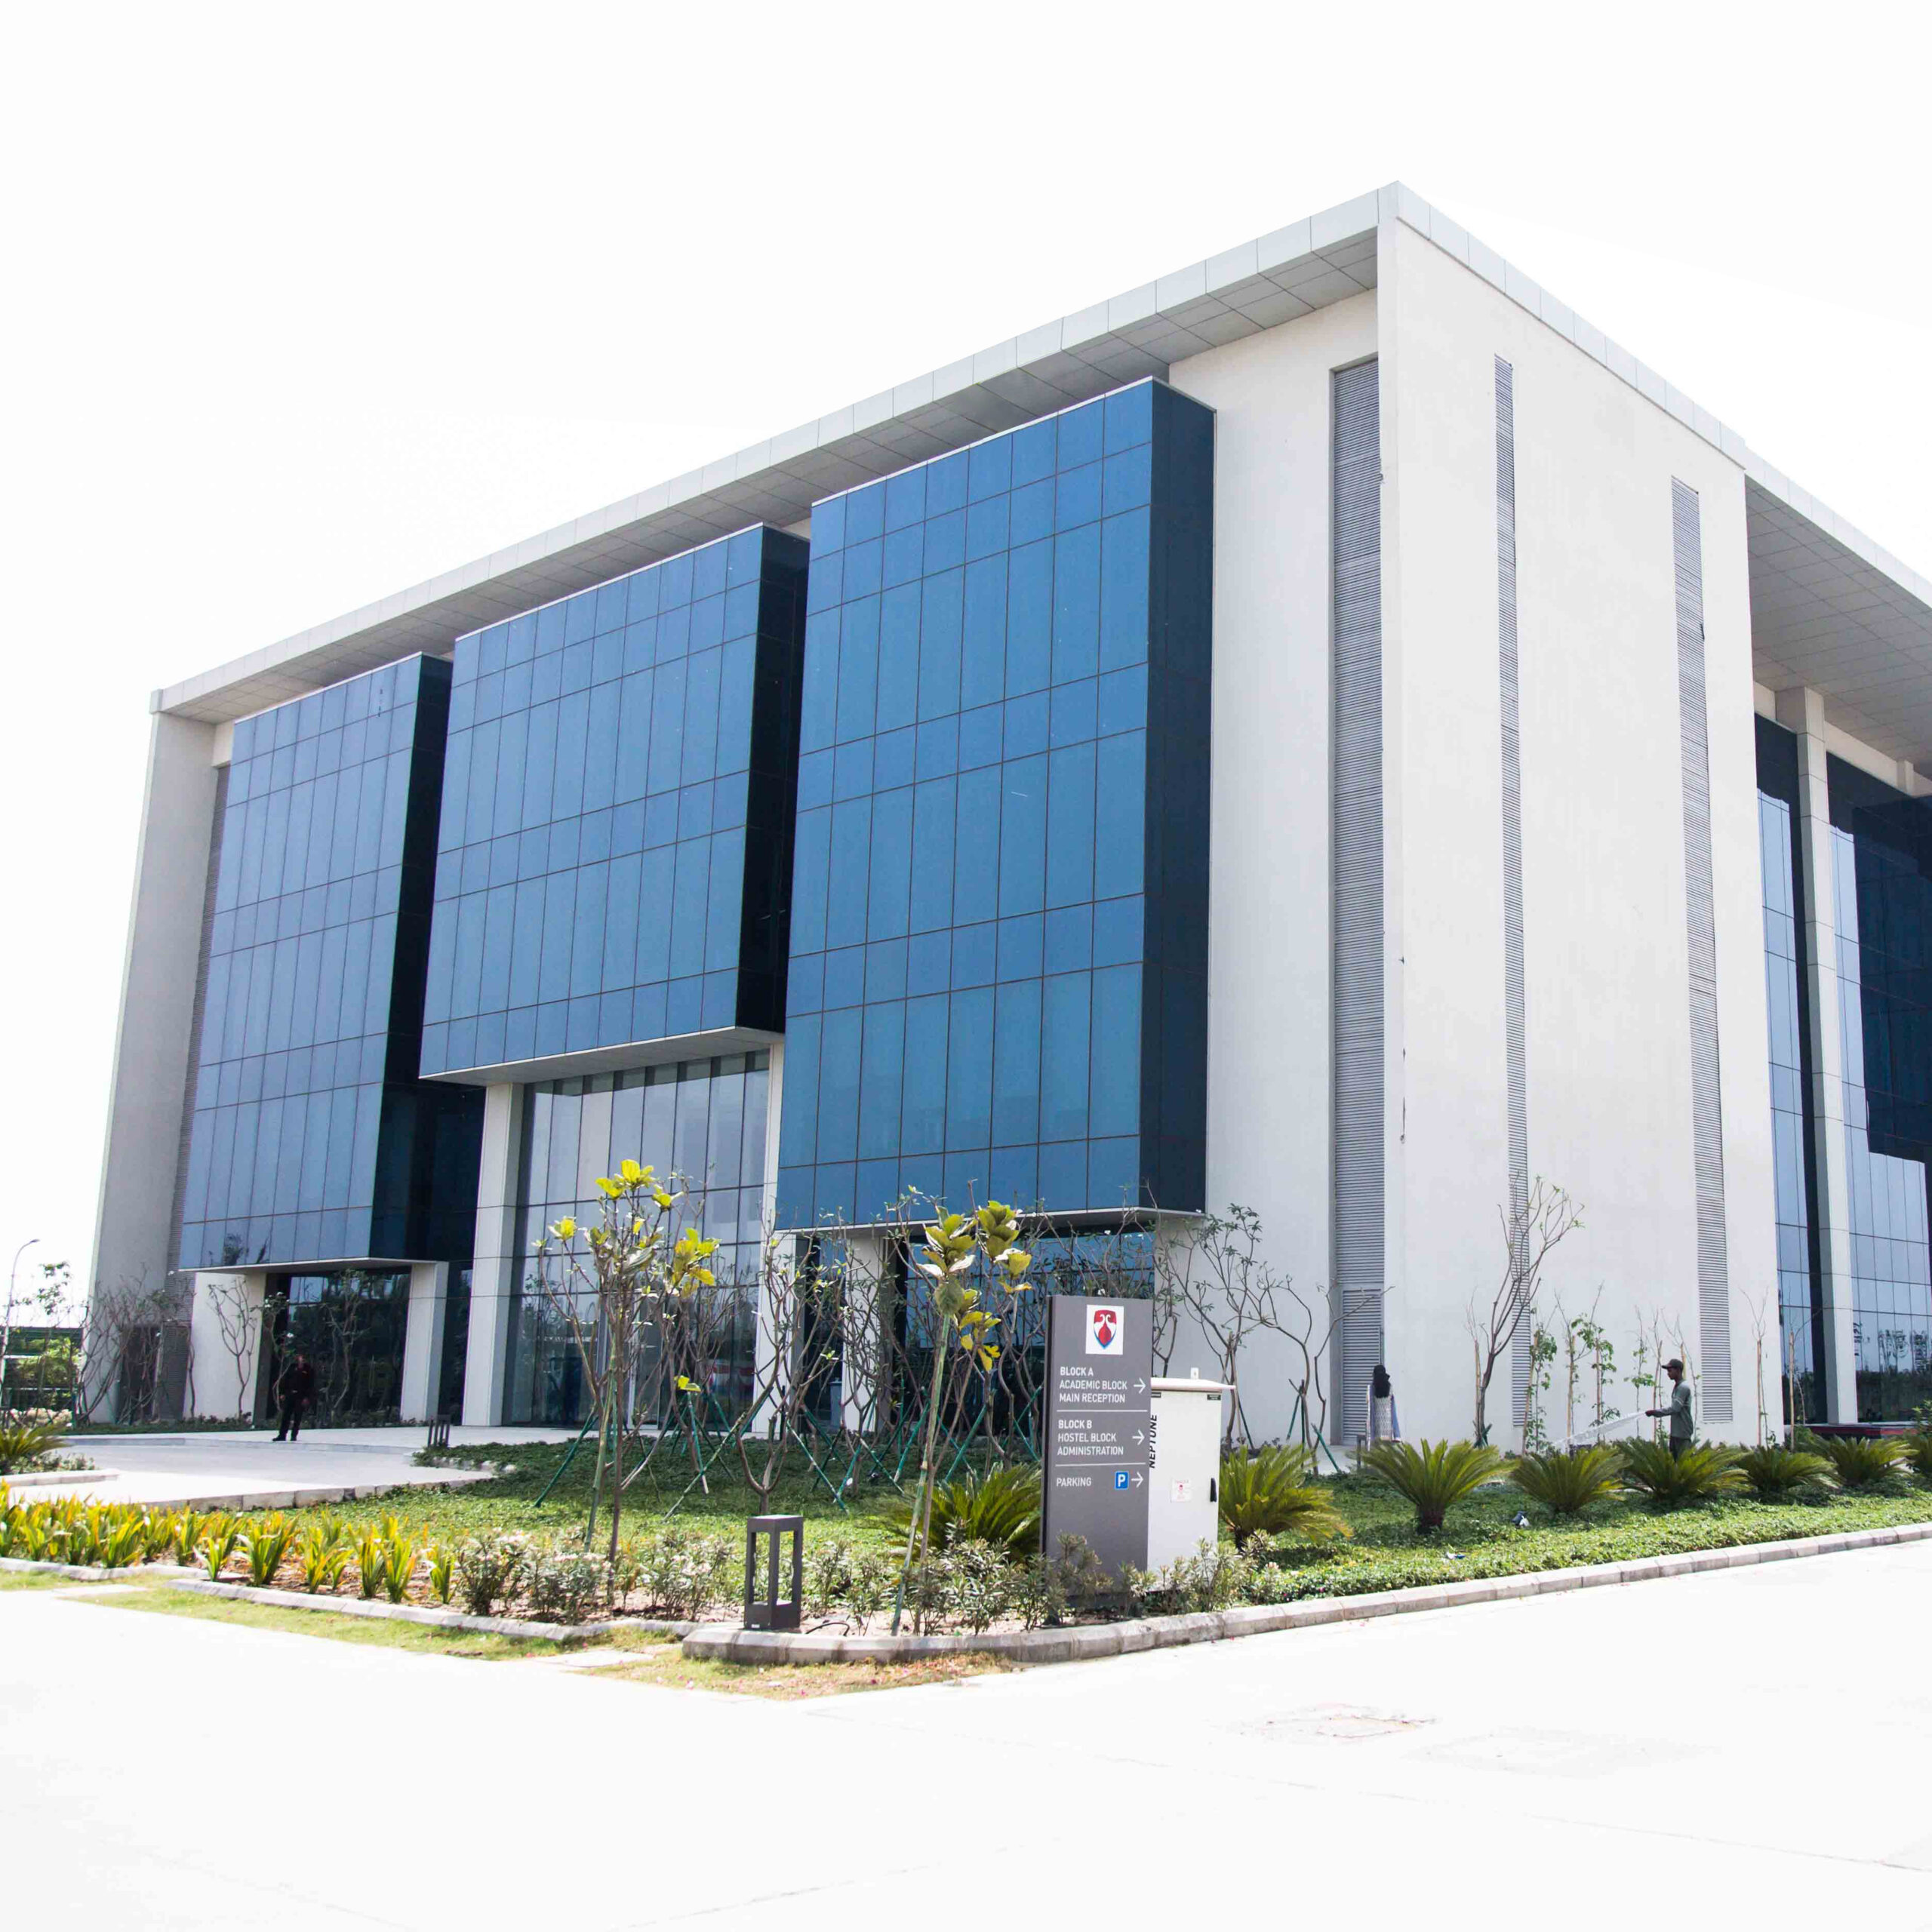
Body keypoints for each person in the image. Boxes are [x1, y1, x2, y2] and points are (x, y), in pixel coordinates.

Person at [1644, 1357, 1694, 1455]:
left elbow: (1675, 1409)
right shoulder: (1678, 1387)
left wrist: (1655, 1412)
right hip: (1676, 1433)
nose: (1668, 1373)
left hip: (1683, 1433)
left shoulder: (1683, 1388)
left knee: (1684, 1461)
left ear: (1678, 1371)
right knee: (1674, 1461)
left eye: (1670, 1371)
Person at [274, 1352, 316, 1441]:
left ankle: (294, 1435)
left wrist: (307, 1397)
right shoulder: (292, 1367)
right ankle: (282, 1435)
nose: (303, 1359)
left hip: (300, 1396)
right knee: (286, 1416)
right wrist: (283, 1393)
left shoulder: (309, 1370)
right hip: (290, 1395)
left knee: (297, 1417)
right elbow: (286, 1380)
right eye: (302, 1357)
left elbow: (311, 1385)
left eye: (304, 1358)